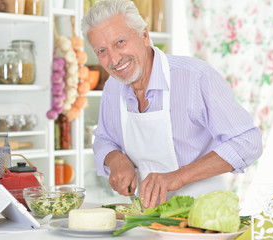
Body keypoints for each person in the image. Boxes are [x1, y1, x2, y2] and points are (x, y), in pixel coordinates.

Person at [81, 0, 263, 209]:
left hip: (204, 215)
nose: (113, 59)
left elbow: (248, 141)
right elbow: (104, 139)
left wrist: (178, 177)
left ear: (144, 35)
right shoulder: (114, 87)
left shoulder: (195, 77)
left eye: (120, 42)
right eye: (102, 51)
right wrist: (115, 159)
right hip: (149, 217)